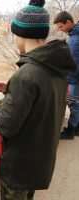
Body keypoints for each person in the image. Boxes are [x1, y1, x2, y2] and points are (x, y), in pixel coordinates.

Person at [0, 0, 77, 199]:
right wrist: (12, 89)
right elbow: (41, 101)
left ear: (21, 33)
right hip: (39, 161)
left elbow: (4, 126)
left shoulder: (27, 74)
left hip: (20, 166)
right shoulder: (54, 65)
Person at [54, 11, 79, 139]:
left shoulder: (75, 40)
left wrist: (66, 80)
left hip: (75, 80)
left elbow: (74, 66)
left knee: (74, 104)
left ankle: (70, 131)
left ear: (68, 22)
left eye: (61, 26)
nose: (60, 29)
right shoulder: (74, 35)